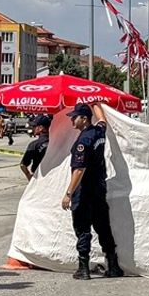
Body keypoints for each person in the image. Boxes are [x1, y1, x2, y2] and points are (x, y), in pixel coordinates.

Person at [60, 103, 123, 280]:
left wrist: (68, 193)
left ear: (84, 119)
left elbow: (79, 170)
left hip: (85, 192)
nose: (72, 120)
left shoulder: (84, 140)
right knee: (103, 227)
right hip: (99, 190)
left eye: (75, 117)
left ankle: (83, 268)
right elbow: (103, 120)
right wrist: (96, 103)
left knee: (83, 228)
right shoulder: (98, 132)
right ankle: (114, 266)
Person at [20, 114, 52, 180]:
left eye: (34, 126)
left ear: (41, 128)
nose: (33, 128)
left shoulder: (34, 145)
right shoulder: (57, 141)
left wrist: (28, 176)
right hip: (55, 177)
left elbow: (23, 164)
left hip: (39, 177)